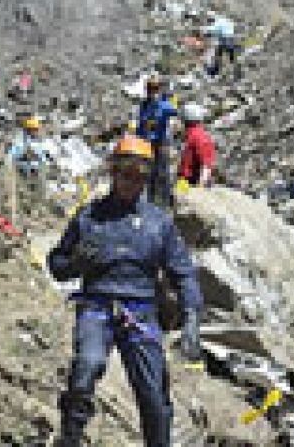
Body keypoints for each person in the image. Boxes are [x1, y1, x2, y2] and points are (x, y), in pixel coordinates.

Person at [48, 136, 204, 447]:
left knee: (153, 390)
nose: (131, 182)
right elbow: (57, 263)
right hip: (96, 306)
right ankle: (70, 437)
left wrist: (191, 315)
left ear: (147, 179)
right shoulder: (89, 217)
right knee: (87, 366)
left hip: (141, 311)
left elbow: (183, 271)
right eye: (125, 173)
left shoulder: (158, 224)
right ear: (113, 172)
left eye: (139, 176)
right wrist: (76, 262)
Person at [136, 77, 178, 207]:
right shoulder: (144, 105)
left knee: (162, 174)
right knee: (147, 175)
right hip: (145, 145)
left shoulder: (164, 105)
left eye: (155, 89)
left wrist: (172, 98)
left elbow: (175, 112)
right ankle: (148, 202)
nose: (152, 92)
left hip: (159, 145)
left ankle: (166, 202)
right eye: (150, 88)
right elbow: (141, 124)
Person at [177, 103, 216, 187]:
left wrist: (200, 187)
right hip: (185, 181)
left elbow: (206, 164)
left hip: (192, 182)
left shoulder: (198, 136)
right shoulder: (192, 134)